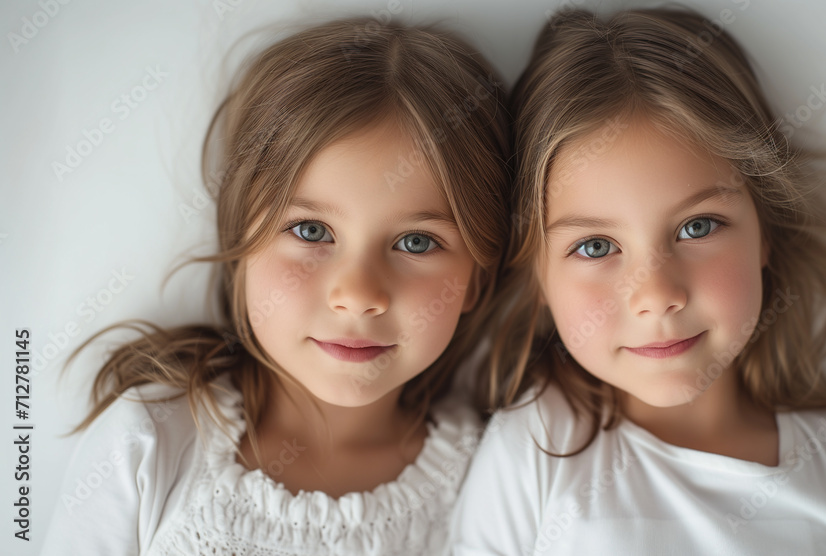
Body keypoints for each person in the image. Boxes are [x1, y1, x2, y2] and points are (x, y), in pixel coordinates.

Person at [452, 8, 826, 555]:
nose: (657, 294)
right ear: (538, 277)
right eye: (595, 247)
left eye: (697, 227)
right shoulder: (533, 453)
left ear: (764, 232)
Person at [41, 16, 510, 556]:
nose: (357, 293)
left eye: (417, 243)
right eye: (311, 232)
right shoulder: (152, 443)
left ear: (477, 279)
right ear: (239, 241)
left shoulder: (495, 477)